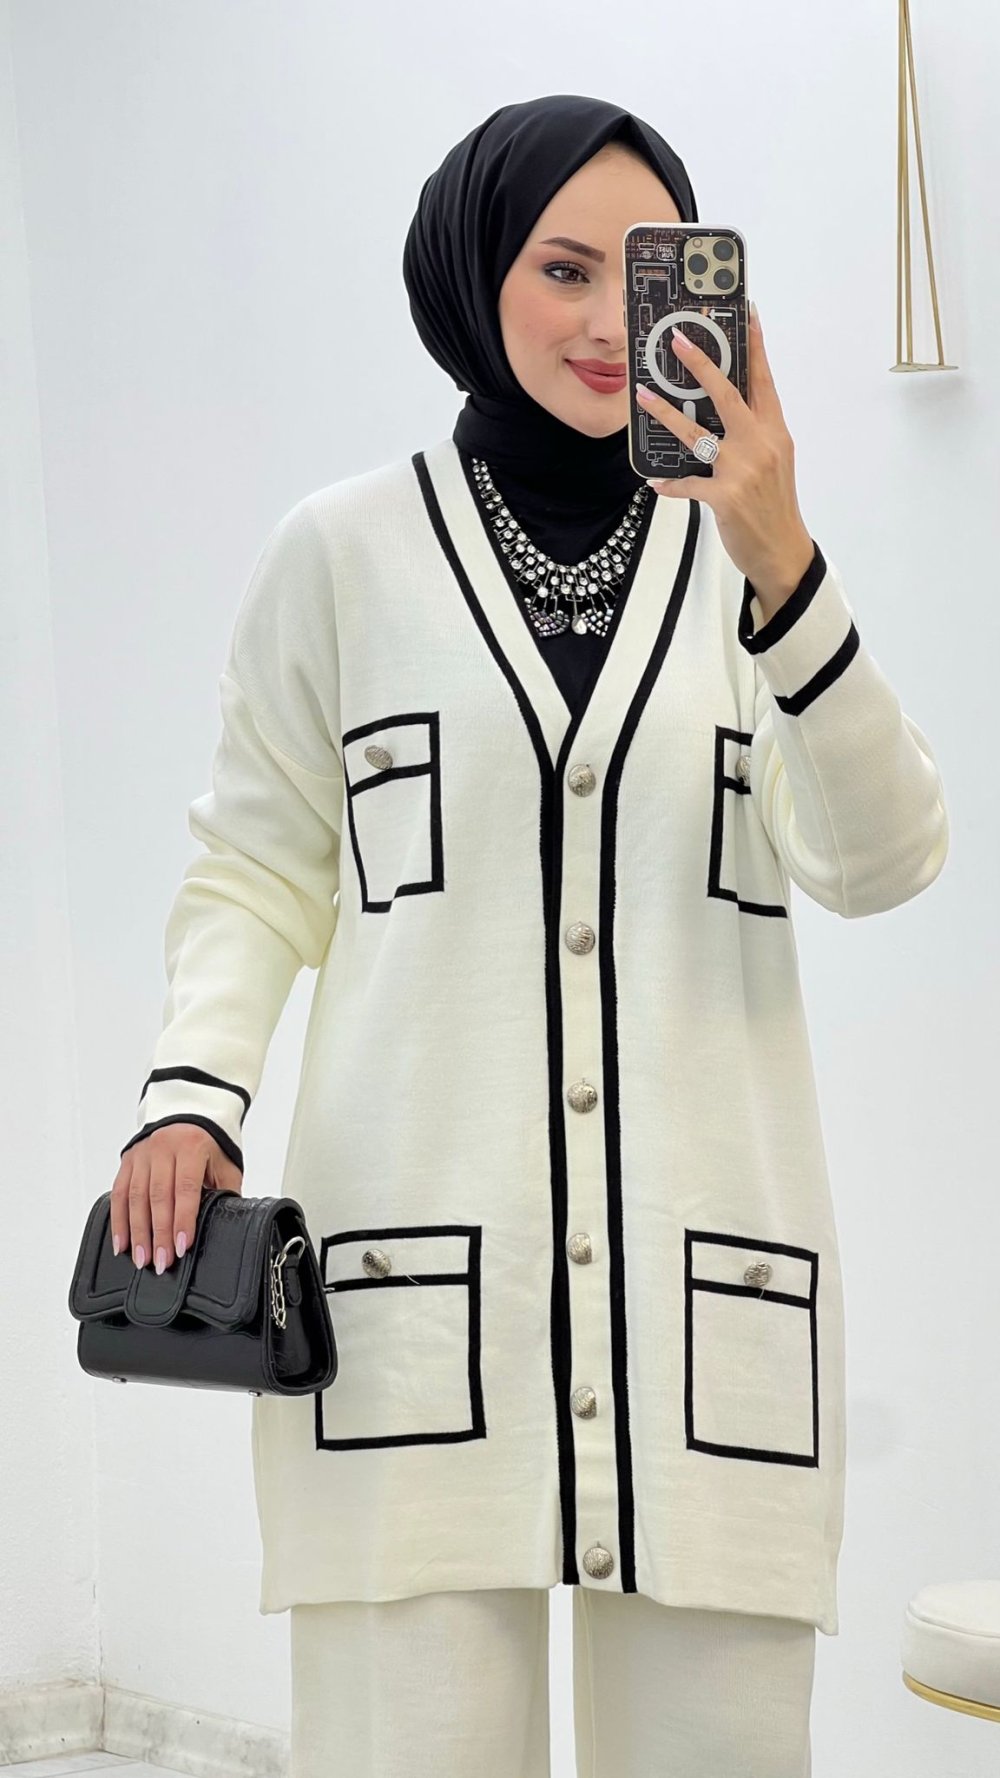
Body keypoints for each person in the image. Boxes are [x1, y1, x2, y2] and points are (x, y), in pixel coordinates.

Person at [110, 93, 949, 1777]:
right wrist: (191, 1092)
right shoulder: (339, 555)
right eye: (564, 268)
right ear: (475, 271)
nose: (604, 320)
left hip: (712, 1323)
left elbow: (883, 857)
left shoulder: (746, 571)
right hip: (411, 1303)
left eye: (645, 275)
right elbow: (256, 864)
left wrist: (781, 551)